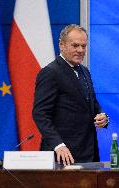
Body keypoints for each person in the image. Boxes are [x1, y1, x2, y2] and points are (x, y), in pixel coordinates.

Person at [32, 24, 109, 166]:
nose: (80, 50)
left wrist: (102, 116)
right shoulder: (50, 72)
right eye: (75, 45)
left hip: (89, 153)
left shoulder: (85, 71)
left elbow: (91, 102)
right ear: (62, 45)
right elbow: (40, 113)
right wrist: (58, 145)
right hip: (63, 155)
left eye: (83, 46)